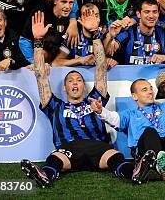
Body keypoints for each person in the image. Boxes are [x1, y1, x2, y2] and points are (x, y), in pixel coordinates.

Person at [20, 12, 144, 187]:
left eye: (79, 80)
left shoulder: (94, 100)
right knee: (54, 159)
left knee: (115, 157)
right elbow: (40, 75)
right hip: (68, 149)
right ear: (65, 87)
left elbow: (101, 66)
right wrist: (38, 42)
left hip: (97, 147)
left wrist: (95, 35)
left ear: (84, 86)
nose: (75, 83)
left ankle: (135, 173)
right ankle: (44, 175)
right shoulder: (54, 105)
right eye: (70, 81)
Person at [105, 0, 165, 65]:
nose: (151, 16)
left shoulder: (163, 33)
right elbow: (108, 52)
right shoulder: (128, 33)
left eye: (154, 12)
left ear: (158, 14)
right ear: (138, 14)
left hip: (154, 78)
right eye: (147, 12)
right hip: (130, 78)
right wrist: (111, 37)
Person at [19, 0, 77, 64]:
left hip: (60, 62)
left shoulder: (72, 18)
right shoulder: (40, 14)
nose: (68, 6)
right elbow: (24, 40)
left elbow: (76, 2)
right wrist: (33, 63)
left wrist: (73, 22)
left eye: (71, 2)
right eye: (63, 2)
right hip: (38, 60)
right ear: (55, 0)